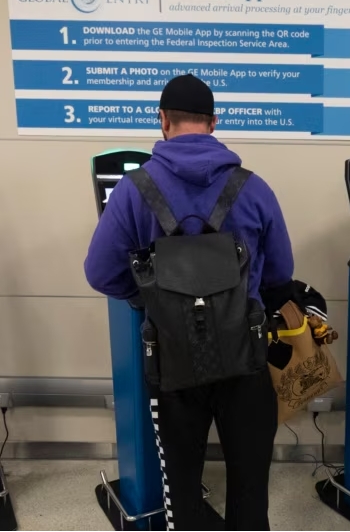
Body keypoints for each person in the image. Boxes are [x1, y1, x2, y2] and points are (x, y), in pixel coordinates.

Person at [84, 74, 294, 531]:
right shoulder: (253, 188)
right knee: (249, 490)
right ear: (214, 122)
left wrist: (151, 299)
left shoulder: (132, 191)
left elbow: (100, 273)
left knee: (179, 490)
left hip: (173, 365)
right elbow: (280, 274)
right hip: (246, 361)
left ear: (162, 121)